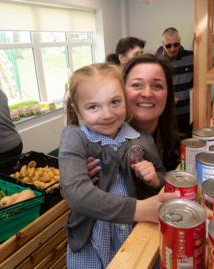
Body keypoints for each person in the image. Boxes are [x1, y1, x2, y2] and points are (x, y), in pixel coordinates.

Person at [59, 63, 176, 268]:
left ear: (124, 99)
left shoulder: (141, 139)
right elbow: (75, 191)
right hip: (92, 236)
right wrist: (139, 209)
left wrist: (155, 178)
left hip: (134, 233)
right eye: (93, 106)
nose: (107, 114)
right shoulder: (74, 137)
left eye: (114, 102)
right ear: (77, 110)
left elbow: (164, 177)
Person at [88, 54, 182, 178]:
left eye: (157, 86)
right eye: (137, 85)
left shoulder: (176, 145)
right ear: (120, 91)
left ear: (168, 95)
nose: (147, 94)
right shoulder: (96, 143)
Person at [156, 27, 193, 136]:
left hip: (188, 114)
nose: (172, 49)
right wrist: (168, 97)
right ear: (163, 45)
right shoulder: (158, 62)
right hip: (167, 115)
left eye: (176, 45)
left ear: (180, 42)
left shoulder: (191, 57)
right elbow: (155, 88)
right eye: (168, 45)